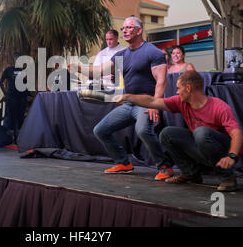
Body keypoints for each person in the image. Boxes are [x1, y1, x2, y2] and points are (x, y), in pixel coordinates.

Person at [69, 16, 173, 179]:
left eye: (129, 27)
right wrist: (78, 68)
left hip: (145, 103)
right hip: (128, 103)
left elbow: (161, 80)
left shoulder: (152, 52)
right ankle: (123, 162)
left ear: (139, 30)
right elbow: (97, 72)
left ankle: (164, 166)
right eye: (123, 28)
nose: (124, 30)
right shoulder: (121, 55)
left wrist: (155, 104)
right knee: (100, 130)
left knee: (142, 131)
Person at [113, 70, 243, 192]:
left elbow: (237, 133)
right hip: (203, 148)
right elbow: (152, 101)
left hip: (224, 153)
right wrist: (127, 97)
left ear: (188, 88)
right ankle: (190, 173)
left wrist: (231, 156)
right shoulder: (181, 102)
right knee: (167, 133)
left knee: (200, 132)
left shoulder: (219, 106)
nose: (177, 92)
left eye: (179, 88)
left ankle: (228, 178)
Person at [0, 52, 29, 141]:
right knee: (10, 117)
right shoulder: (9, 69)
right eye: (15, 58)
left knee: (19, 118)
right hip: (11, 98)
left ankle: (18, 138)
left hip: (21, 98)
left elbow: (26, 84)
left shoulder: (24, 71)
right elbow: (1, 82)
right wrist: (5, 93)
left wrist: (27, 96)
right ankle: (8, 137)